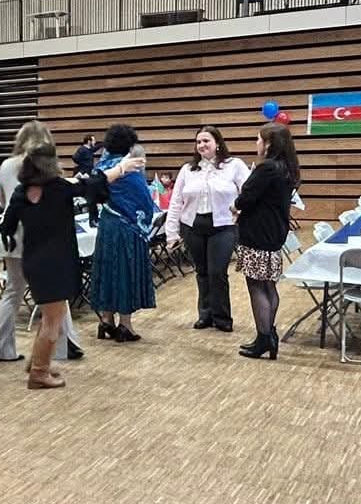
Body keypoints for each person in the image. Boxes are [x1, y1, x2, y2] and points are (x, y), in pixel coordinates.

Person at [2, 144, 134, 389]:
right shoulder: (57, 189)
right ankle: (39, 374)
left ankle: (38, 361)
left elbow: (7, 225)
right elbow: (92, 184)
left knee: (51, 315)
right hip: (55, 263)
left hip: (33, 262)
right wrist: (121, 168)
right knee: (53, 320)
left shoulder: (22, 192)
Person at [0, 120, 86, 365]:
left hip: (11, 234)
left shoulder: (7, 165)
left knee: (12, 291)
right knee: (56, 293)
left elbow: (3, 201)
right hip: (39, 234)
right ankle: (61, 348)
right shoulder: (44, 166)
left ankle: (1, 347)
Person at [165, 127, 248, 332]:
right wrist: (171, 232)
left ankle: (222, 317)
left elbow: (249, 192)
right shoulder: (188, 169)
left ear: (217, 143)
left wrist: (240, 212)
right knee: (202, 272)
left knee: (217, 272)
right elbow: (176, 201)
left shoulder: (234, 165)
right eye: (198, 142)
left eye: (206, 141)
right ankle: (205, 314)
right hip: (193, 226)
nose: (202, 145)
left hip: (223, 226)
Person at [232, 124, 298, 360]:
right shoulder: (286, 168)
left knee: (256, 286)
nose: (256, 144)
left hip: (258, 234)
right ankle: (269, 334)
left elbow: (245, 198)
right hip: (274, 234)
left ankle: (264, 337)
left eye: (259, 140)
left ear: (269, 143)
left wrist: (235, 206)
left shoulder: (267, 168)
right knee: (269, 285)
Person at [91, 123, 157, 342]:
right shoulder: (129, 169)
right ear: (130, 145)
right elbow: (144, 201)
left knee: (107, 269)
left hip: (107, 224)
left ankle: (106, 320)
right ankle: (125, 325)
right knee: (124, 271)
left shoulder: (102, 166)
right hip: (126, 227)